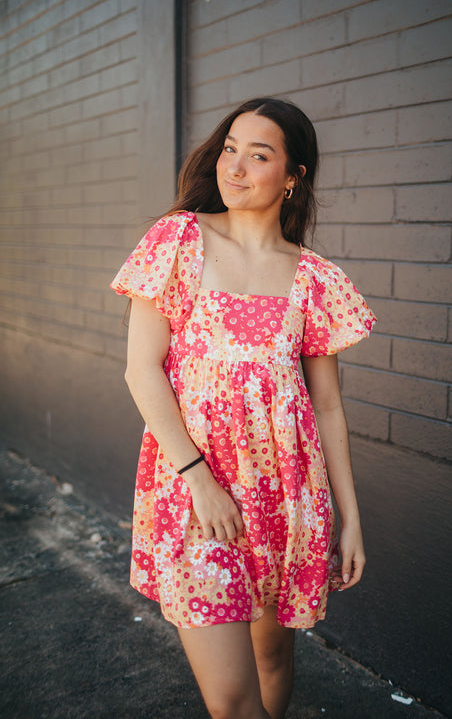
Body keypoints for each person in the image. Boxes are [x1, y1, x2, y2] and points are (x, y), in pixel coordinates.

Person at [110, 97, 376, 719]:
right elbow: (141, 370)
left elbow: (328, 407)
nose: (235, 166)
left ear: (293, 177)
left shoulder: (315, 279)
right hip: (197, 495)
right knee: (232, 702)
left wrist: (350, 516)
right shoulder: (177, 240)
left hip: (286, 497)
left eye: (259, 155)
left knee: (273, 661)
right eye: (231, 148)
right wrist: (196, 477)